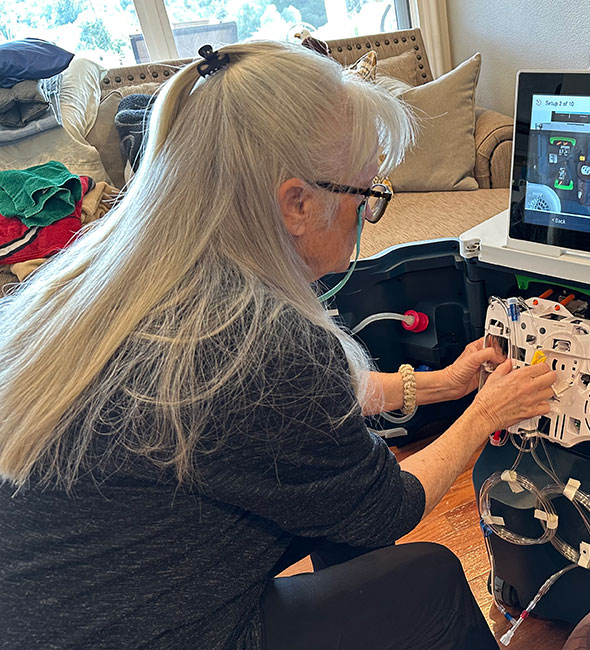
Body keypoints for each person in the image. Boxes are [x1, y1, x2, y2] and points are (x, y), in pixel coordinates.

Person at [0, 41, 556, 650]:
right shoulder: (260, 339)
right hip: (138, 630)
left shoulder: (105, 274)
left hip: (48, 612)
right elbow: (388, 507)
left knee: (339, 501)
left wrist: (447, 384)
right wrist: (487, 414)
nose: (368, 216)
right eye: (366, 196)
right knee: (428, 577)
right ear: (297, 202)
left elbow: (294, 416)